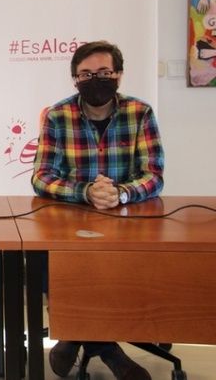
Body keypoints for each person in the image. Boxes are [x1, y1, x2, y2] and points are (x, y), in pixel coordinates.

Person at [32, 41, 164, 380]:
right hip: (70, 221)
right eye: (87, 74)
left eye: (104, 72)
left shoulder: (140, 112)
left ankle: (75, 336)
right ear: (75, 79)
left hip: (127, 221)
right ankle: (108, 351)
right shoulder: (58, 116)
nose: (96, 80)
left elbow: (153, 174)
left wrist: (120, 194)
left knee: (126, 270)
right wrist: (86, 192)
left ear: (118, 74)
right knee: (49, 260)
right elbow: (41, 176)